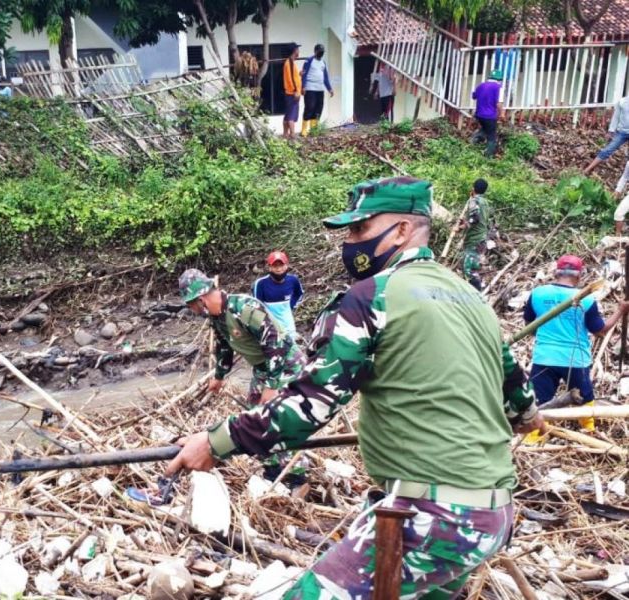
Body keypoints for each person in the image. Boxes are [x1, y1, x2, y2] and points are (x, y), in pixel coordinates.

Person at [168, 176, 542, 599]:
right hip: (495, 513)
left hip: (433, 514)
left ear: (401, 230)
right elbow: (519, 397)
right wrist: (530, 416)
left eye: (360, 229)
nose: (350, 242)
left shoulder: (373, 296)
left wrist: (215, 441)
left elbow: (310, 404)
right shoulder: (471, 298)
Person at [523, 255, 629, 434]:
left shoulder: (537, 294)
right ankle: (589, 431)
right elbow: (600, 330)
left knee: (539, 401)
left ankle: (533, 440)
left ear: (556, 273)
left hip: (544, 356)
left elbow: (529, 325)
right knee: (585, 397)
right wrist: (620, 310)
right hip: (575, 359)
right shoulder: (586, 299)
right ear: (579, 276)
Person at [178, 269, 305, 407]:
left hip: (286, 364)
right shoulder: (216, 316)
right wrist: (219, 376)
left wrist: (272, 385)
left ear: (201, 300)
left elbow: (273, 339)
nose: (192, 310)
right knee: (253, 414)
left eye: (191, 305)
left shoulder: (244, 307)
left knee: (279, 413)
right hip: (262, 369)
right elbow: (224, 346)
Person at [251, 251, 305, 338]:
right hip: (270, 327)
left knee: (291, 344)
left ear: (286, 265)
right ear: (269, 267)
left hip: (288, 325)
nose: (279, 269)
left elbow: (299, 294)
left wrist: (290, 306)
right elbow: (257, 306)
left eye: (281, 265)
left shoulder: (293, 280)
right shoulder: (261, 284)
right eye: (275, 266)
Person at [460, 178, 493, 291]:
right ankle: (475, 290)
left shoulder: (474, 201)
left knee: (468, 269)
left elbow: (475, 219)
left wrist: (462, 227)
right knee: (473, 265)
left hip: (475, 239)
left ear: (473, 188)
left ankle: (476, 292)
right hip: (482, 238)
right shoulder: (485, 202)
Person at [584, 94, 629, 175]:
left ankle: (625, 177)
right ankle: (587, 170)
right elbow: (616, 117)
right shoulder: (622, 102)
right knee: (607, 150)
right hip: (622, 132)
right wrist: (611, 131)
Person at [300, 44, 334, 137]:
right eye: (320, 52)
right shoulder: (309, 60)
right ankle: (304, 130)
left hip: (320, 89)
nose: (321, 53)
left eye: (322, 52)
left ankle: (313, 129)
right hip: (310, 88)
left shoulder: (323, 63)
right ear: (315, 51)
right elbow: (304, 74)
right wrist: (303, 86)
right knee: (309, 107)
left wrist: (329, 89)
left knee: (318, 108)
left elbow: (325, 77)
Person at [471, 70, 503, 158]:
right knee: (492, 137)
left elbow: (474, 96)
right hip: (490, 116)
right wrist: (502, 114)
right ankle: (488, 157)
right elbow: (499, 104)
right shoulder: (498, 87)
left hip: (479, 115)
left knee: (485, 128)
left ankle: (474, 141)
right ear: (499, 80)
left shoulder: (481, 85)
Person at [282, 43, 302, 139]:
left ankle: (285, 134)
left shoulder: (290, 62)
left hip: (291, 93)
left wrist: (299, 74)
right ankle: (293, 134)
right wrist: (295, 91)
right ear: (294, 51)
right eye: (297, 49)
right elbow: (291, 80)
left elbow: (293, 77)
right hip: (292, 93)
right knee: (291, 116)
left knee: (288, 115)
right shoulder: (289, 62)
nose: (299, 51)